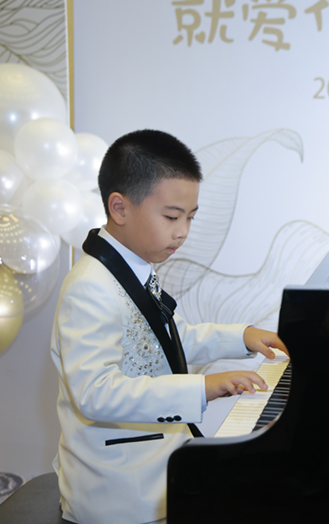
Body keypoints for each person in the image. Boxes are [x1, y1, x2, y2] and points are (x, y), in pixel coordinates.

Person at [50, 129, 286, 524]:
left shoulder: (134, 268)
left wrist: (242, 337)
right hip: (120, 488)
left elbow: (172, 339)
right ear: (119, 208)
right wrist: (203, 387)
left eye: (190, 217)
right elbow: (95, 393)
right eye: (172, 217)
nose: (183, 232)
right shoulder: (90, 288)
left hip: (154, 460)